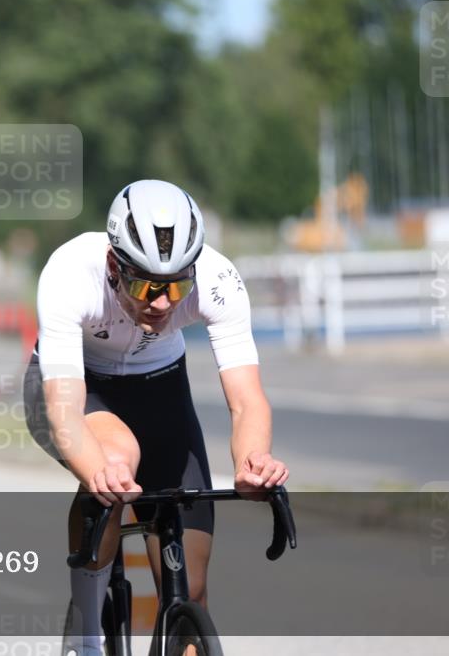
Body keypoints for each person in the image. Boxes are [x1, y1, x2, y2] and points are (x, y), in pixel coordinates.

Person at [23, 180, 289, 656]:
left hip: (160, 386)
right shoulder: (68, 273)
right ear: (113, 265)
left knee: (191, 585)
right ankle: (85, 638)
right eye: (146, 284)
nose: (162, 302)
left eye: (176, 286)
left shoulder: (217, 279)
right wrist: (98, 471)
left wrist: (254, 460)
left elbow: (247, 400)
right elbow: (65, 414)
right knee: (117, 457)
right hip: (79, 387)